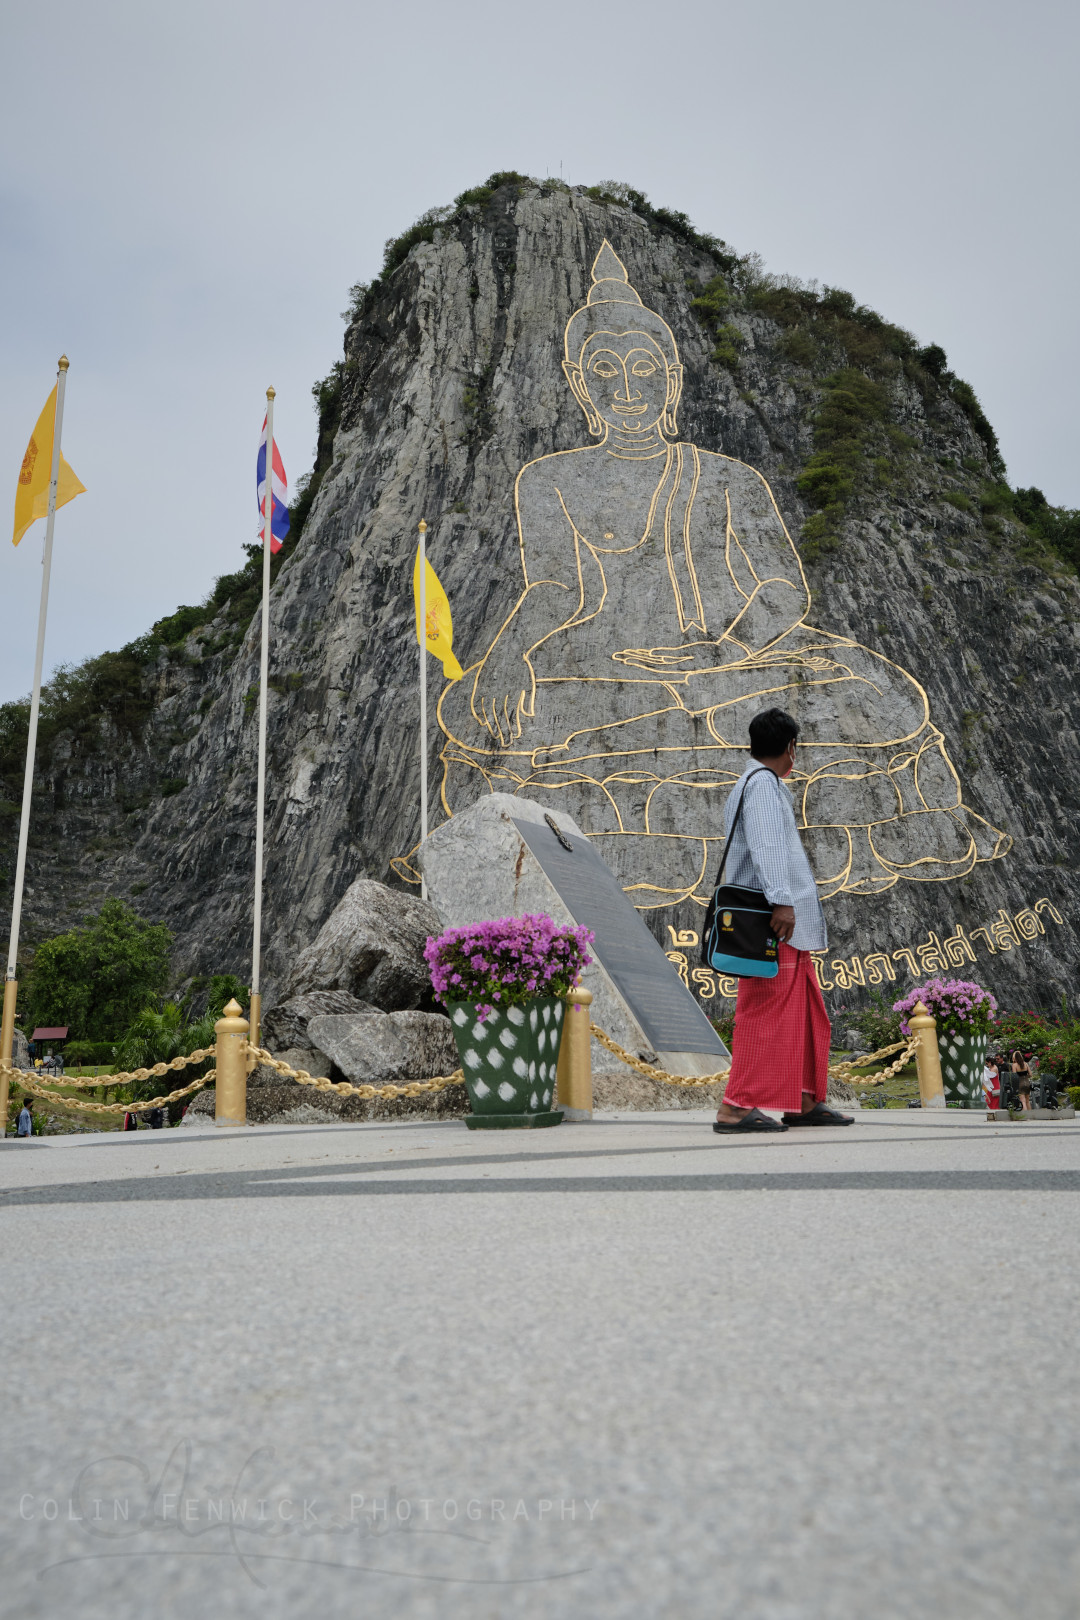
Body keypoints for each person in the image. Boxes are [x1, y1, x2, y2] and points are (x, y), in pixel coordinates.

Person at [713, 708, 852, 1134]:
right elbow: (767, 847)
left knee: (804, 1010)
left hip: (781, 921)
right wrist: (782, 902)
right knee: (766, 1009)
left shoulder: (755, 782)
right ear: (791, 747)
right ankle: (735, 1107)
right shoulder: (763, 787)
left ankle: (804, 1099)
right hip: (774, 921)